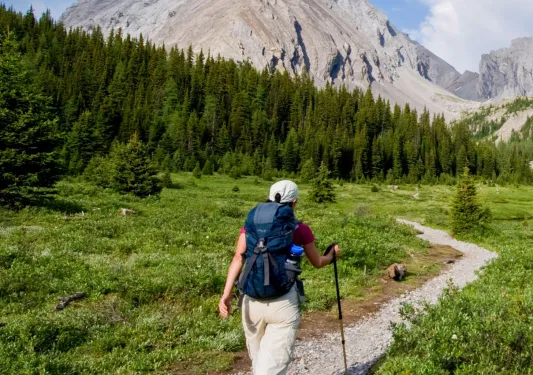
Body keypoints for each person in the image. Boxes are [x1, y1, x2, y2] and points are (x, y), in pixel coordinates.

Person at [218, 180, 341, 375]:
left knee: (259, 363)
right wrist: (332, 254)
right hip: (282, 302)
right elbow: (317, 262)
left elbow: (237, 258)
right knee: (270, 369)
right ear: (294, 201)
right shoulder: (300, 229)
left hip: (251, 300)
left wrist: (225, 294)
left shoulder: (249, 226)